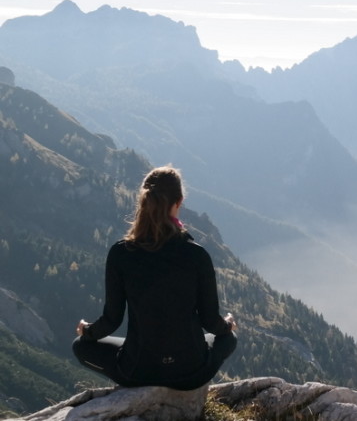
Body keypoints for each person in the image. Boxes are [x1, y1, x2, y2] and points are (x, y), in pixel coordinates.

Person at [72, 166, 237, 390]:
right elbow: (210, 321)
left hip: (138, 372)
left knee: (80, 347)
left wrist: (87, 330)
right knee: (229, 339)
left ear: (143, 202)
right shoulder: (197, 254)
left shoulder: (121, 253)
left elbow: (112, 320)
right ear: (179, 202)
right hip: (191, 372)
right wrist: (227, 325)